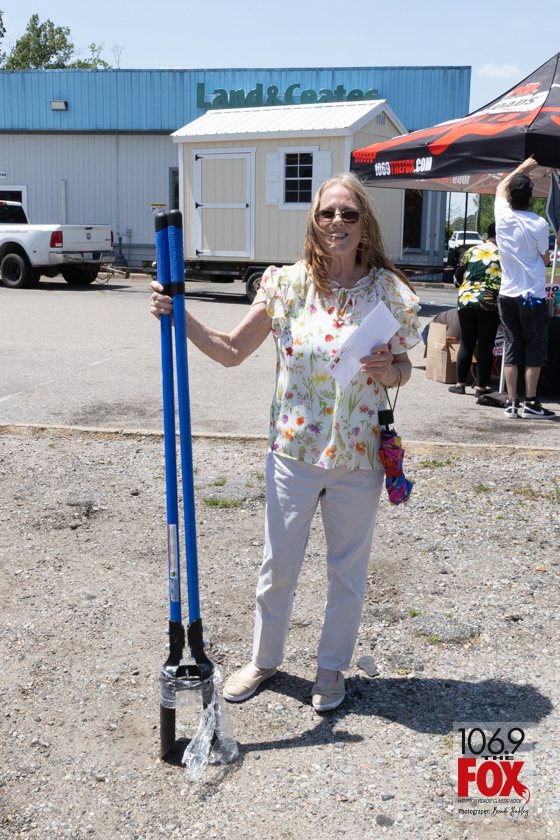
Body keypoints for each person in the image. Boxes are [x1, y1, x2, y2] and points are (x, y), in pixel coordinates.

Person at [150, 173, 421, 712]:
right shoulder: (286, 285)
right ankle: (264, 660)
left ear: (364, 223)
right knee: (278, 566)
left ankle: (329, 670)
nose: (337, 222)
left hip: (360, 454)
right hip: (293, 451)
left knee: (347, 570)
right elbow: (231, 351)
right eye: (327, 213)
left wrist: (390, 369)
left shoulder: (388, 291)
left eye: (349, 213)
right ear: (314, 222)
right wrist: (180, 315)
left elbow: (403, 370)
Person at [495, 157, 555, 419]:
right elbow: (545, 259)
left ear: (510, 196)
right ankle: (530, 402)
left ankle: (511, 403)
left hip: (507, 294)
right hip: (532, 295)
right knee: (533, 348)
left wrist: (521, 168)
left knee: (512, 346)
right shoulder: (539, 223)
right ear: (531, 196)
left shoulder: (501, 216)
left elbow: (499, 187)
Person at [448, 222, 502, 396]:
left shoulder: (471, 251)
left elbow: (457, 277)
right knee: (486, 344)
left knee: (466, 342)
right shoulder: (504, 253)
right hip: (490, 301)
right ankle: (481, 387)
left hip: (467, 299)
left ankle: (460, 384)